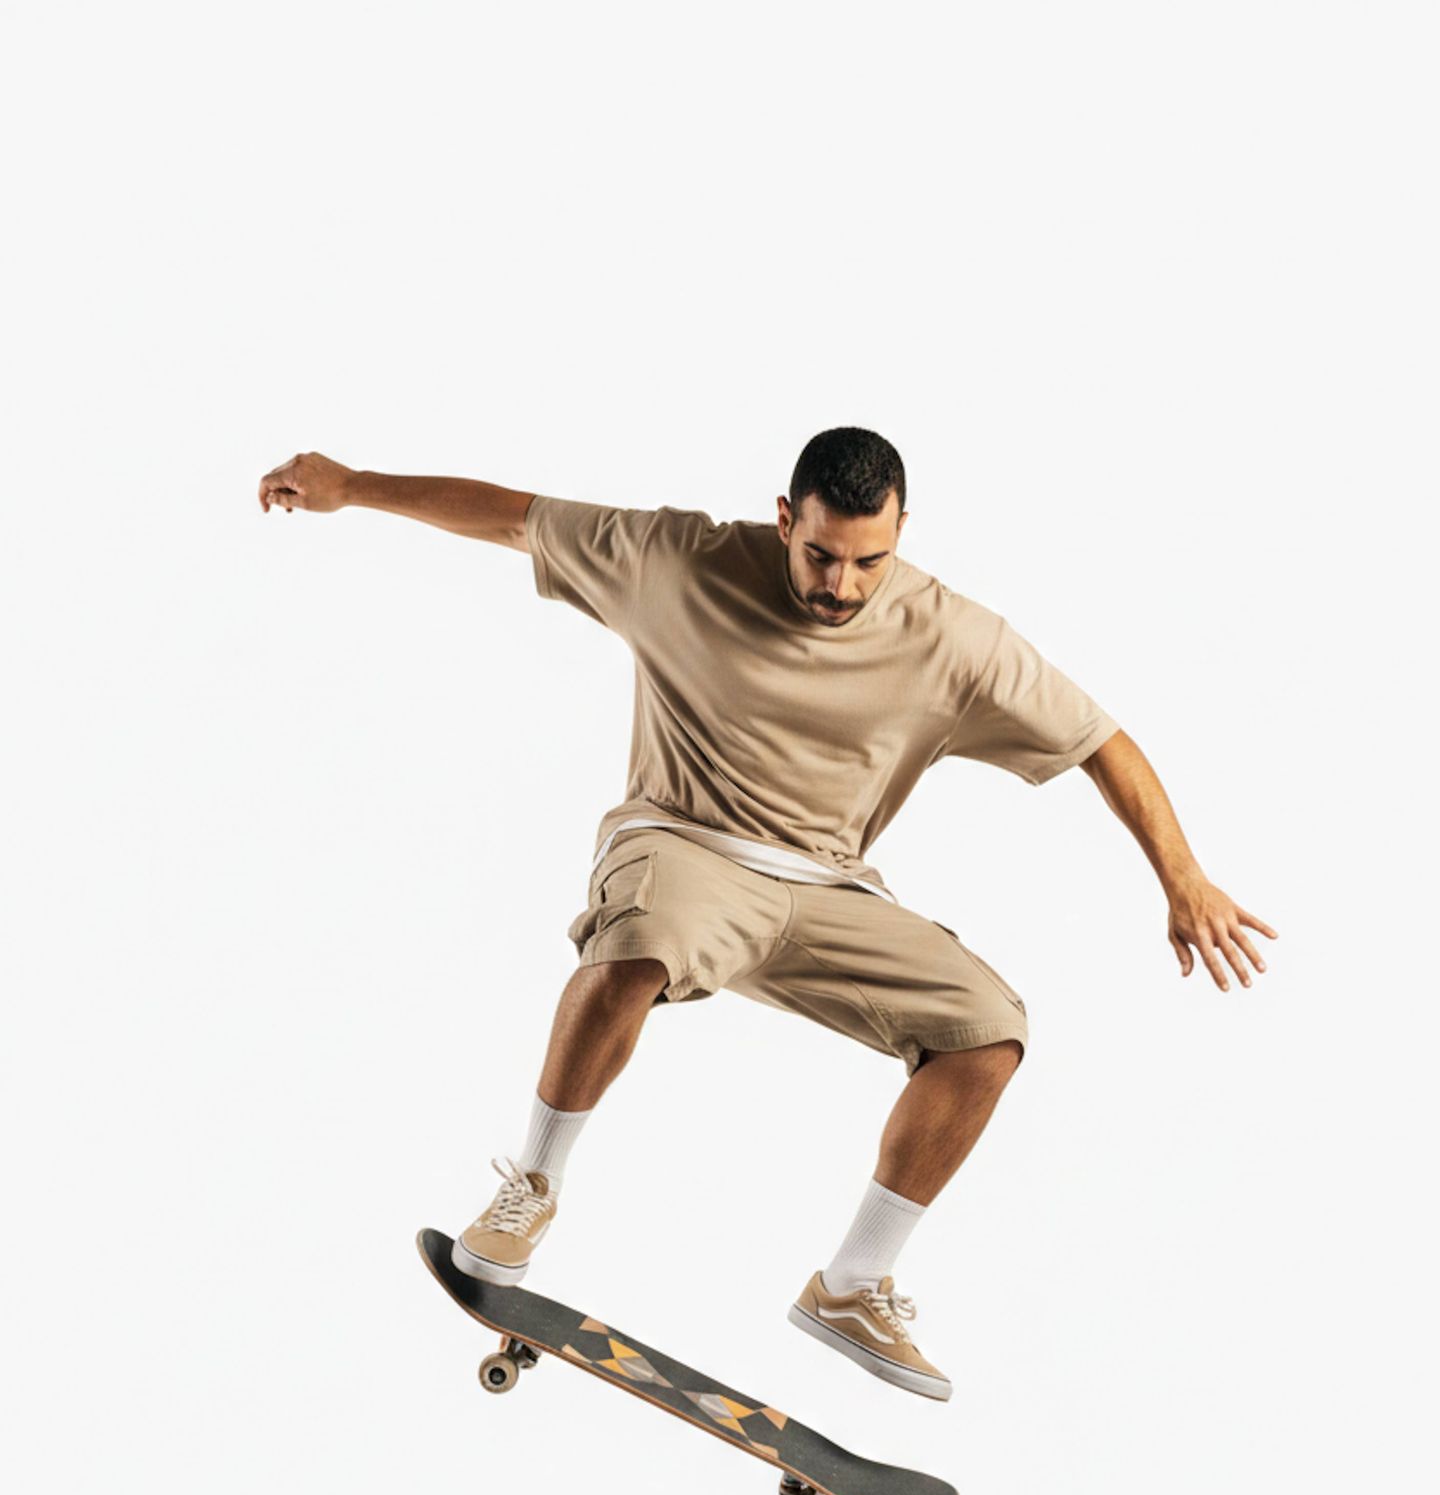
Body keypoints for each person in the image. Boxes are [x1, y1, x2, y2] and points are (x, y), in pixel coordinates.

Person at [258, 426, 1276, 1402]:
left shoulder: (954, 637)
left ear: (902, 534)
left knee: (987, 1029)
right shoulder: (676, 557)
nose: (840, 586)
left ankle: (850, 1287)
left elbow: (1102, 737)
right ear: (785, 517)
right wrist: (353, 485)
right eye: (821, 555)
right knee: (636, 949)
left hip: (828, 891)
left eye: (867, 562)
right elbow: (515, 517)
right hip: (684, 843)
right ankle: (530, 1182)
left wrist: (1181, 877)